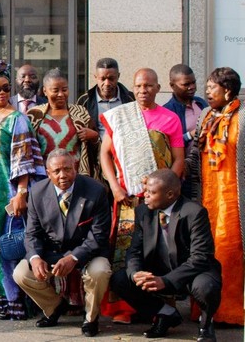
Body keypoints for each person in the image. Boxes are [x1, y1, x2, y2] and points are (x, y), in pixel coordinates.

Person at [99, 68, 185, 324]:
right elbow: (104, 154)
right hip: (128, 200)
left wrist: (167, 191)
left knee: (160, 252)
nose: (142, 91)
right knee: (126, 255)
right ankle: (124, 308)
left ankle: (160, 305)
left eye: (148, 86)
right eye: (137, 86)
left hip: (160, 202)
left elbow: (179, 160)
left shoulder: (170, 119)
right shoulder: (120, 117)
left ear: (158, 88)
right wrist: (114, 186)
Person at [110, 169, 221, 342]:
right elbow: (135, 250)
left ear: (170, 194)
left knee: (206, 287)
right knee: (120, 279)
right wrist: (135, 273)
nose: (145, 195)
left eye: (151, 192)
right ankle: (165, 314)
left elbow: (200, 257)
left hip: (190, 273)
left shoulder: (194, 212)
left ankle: (206, 326)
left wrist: (167, 280)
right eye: (146, 190)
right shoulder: (143, 211)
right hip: (158, 269)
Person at [0, 59, 45, 320]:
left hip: (9, 194)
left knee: (7, 247)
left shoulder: (17, 119)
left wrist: (21, 194)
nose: (2, 93)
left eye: (5, 88)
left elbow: (25, 160)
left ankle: (12, 301)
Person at [12, 149, 111, 337]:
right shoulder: (37, 192)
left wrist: (74, 257)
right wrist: (34, 258)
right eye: (56, 171)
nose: (63, 175)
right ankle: (54, 307)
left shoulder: (95, 190)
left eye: (67, 169)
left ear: (75, 168)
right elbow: (32, 233)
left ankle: (91, 318)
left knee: (100, 271)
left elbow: (99, 235)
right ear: (48, 173)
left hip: (88, 251)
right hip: (53, 250)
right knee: (21, 273)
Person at [186, 67, 244, 327]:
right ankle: (206, 308)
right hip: (207, 197)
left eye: (212, 88)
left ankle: (231, 312)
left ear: (228, 90)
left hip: (235, 199)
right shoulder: (206, 116)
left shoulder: (242, 118)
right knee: (205, 251)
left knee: (230, 253)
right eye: (207, 88)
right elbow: (193, 154)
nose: (207, 92)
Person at [27, 68, 101, 180]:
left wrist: (94, 136)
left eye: (64, 89)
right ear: (45, 91)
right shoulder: (34, 115)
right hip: (43, 178)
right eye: (55, 90)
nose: (61, 94)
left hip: (75, 177)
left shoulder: (80, 113)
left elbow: (97, 149)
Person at [163, 64, 208, 196]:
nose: (192, 87)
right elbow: (167, 145)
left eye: (194, 82)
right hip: (185, 174)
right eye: (186, 84)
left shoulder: (201, 103)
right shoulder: (167, 111)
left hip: (206, 169)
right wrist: (191, 135)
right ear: (172, 85)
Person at [76, 57, 134, 151]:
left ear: (118, 76)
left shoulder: (130, 99)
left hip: (124, 155)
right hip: (96, 158)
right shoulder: (85, 101)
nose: (107, 83)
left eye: (111, 78)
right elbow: (79, 133)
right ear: (96, 77)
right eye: (102, 79)